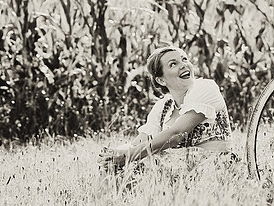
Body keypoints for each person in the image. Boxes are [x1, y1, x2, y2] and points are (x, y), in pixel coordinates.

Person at [98, 46, 233, 171]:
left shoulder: (205, 88)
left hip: (214, 167)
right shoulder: (164, 106)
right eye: (173, 64)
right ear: (161, 80)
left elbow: (177, 134)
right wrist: (113, 154)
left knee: (145, 161)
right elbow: (141, 141)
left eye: (184, 59)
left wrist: (128, 156)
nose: (183, 65)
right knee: (110, 165)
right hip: (178, 169)